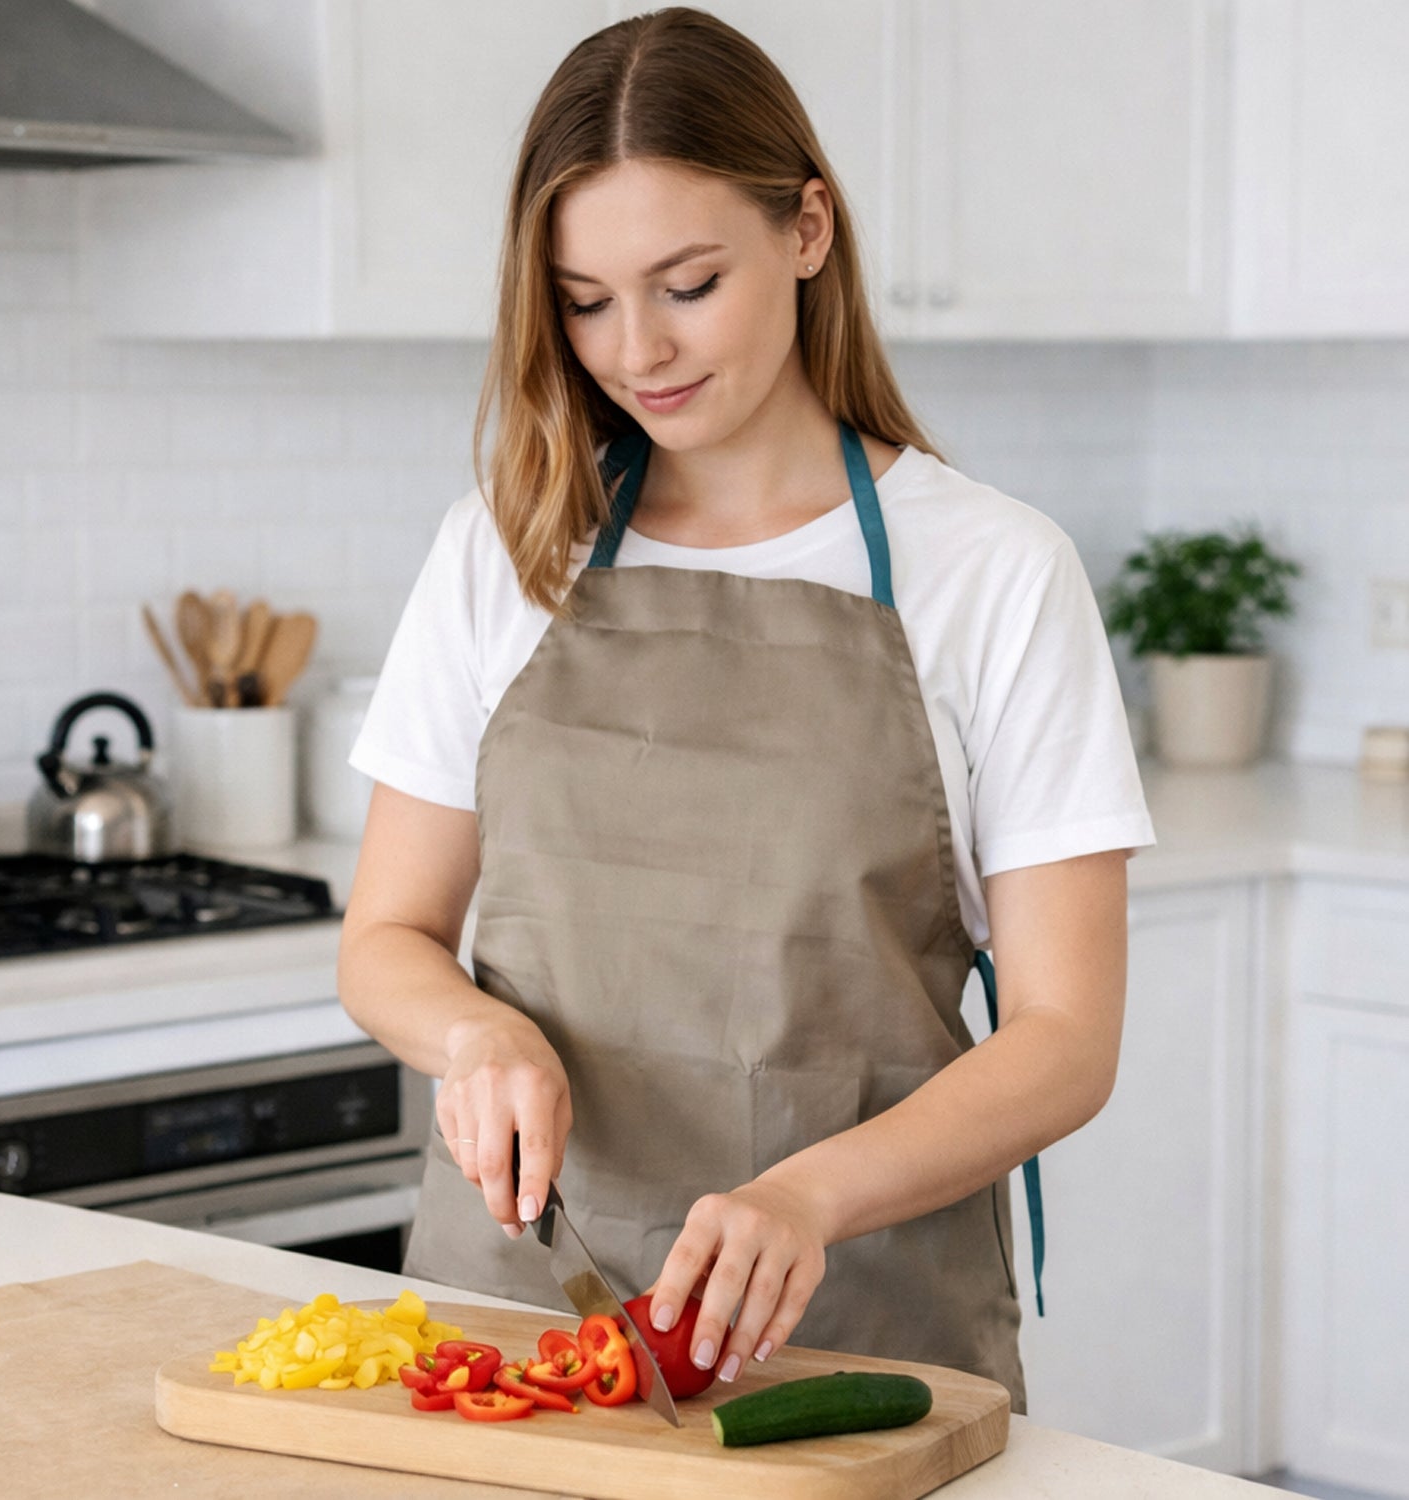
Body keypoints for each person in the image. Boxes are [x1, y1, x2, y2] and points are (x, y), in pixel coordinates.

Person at [339, 7, 1153, 1413]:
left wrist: (807, 1196)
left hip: (859, 1337)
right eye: (584, 300)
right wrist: (476, 1034)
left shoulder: (993, 571)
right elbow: (386, 940)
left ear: (808, 230)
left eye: (688, 282)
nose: (635, 347)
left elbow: (1067, 1037)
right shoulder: (504, 546)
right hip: (518, 1333)